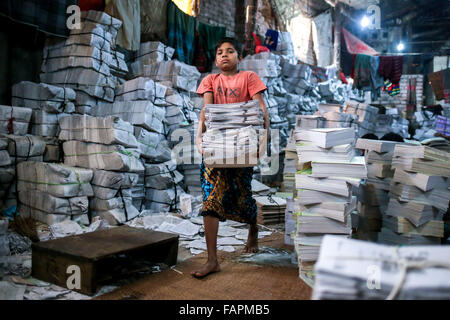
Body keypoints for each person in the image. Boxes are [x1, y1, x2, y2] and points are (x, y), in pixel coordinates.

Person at [191, 37, 269, 278]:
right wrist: (199, 139)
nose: (224, 55)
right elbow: (207, 113)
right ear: (216, 59)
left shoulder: (249, 78)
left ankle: (253, 230)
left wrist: (263, 139)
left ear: (239, 57)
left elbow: (260, 110)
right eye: (220, 52)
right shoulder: (210, 80)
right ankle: (212, 259)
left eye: (230, 51)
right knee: (211, 197)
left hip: (242, 147)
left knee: (243, 195)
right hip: (216, 147)